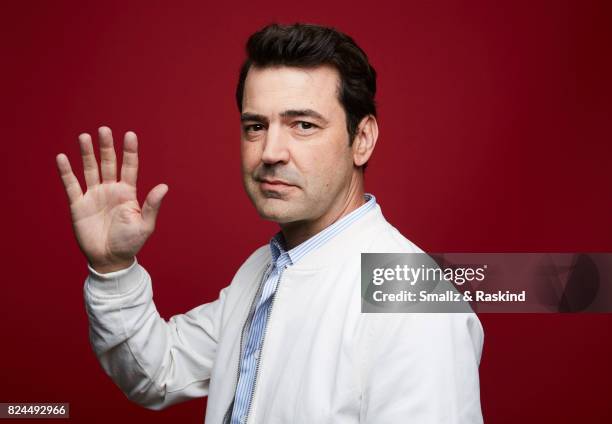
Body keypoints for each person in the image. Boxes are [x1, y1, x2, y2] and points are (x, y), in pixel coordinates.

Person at [56, 22, 484, 424]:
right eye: (256, 126)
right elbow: (158, 372)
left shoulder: (411, 295)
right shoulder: (265, 268)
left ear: (363, 139)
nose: (270, 152)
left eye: (303, 125)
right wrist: (113, 268)